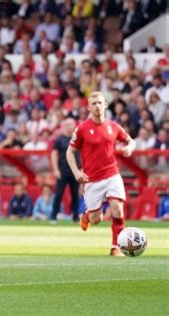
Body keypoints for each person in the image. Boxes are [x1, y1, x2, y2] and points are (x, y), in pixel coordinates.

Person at [67, 91, 136, 257]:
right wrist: (76, 172)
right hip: (92, 179)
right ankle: (87, 215)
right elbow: (70, 152)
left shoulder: (113, 126)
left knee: (117, 209)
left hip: (112, 174)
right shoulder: (82, 128)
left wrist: (129, 148)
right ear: (89, 107)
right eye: (94, 104)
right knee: (96, 219)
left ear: (105, 105)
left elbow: (131, 140)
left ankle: (116, 247)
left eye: (100, 103)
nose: (97, 106)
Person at [50, 118, 80, 222]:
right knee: (58, 194)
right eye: (66, 124)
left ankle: (75, 216)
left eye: (70, 124)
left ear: (74, 126)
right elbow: (54, 154)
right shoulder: (59, 140)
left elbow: (84, 154)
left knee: (75, 194)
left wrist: (82, 169)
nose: (69, 127)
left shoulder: (78, 138)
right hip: (62, 171)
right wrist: (55, 170)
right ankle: (53, 216)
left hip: (75, 171)